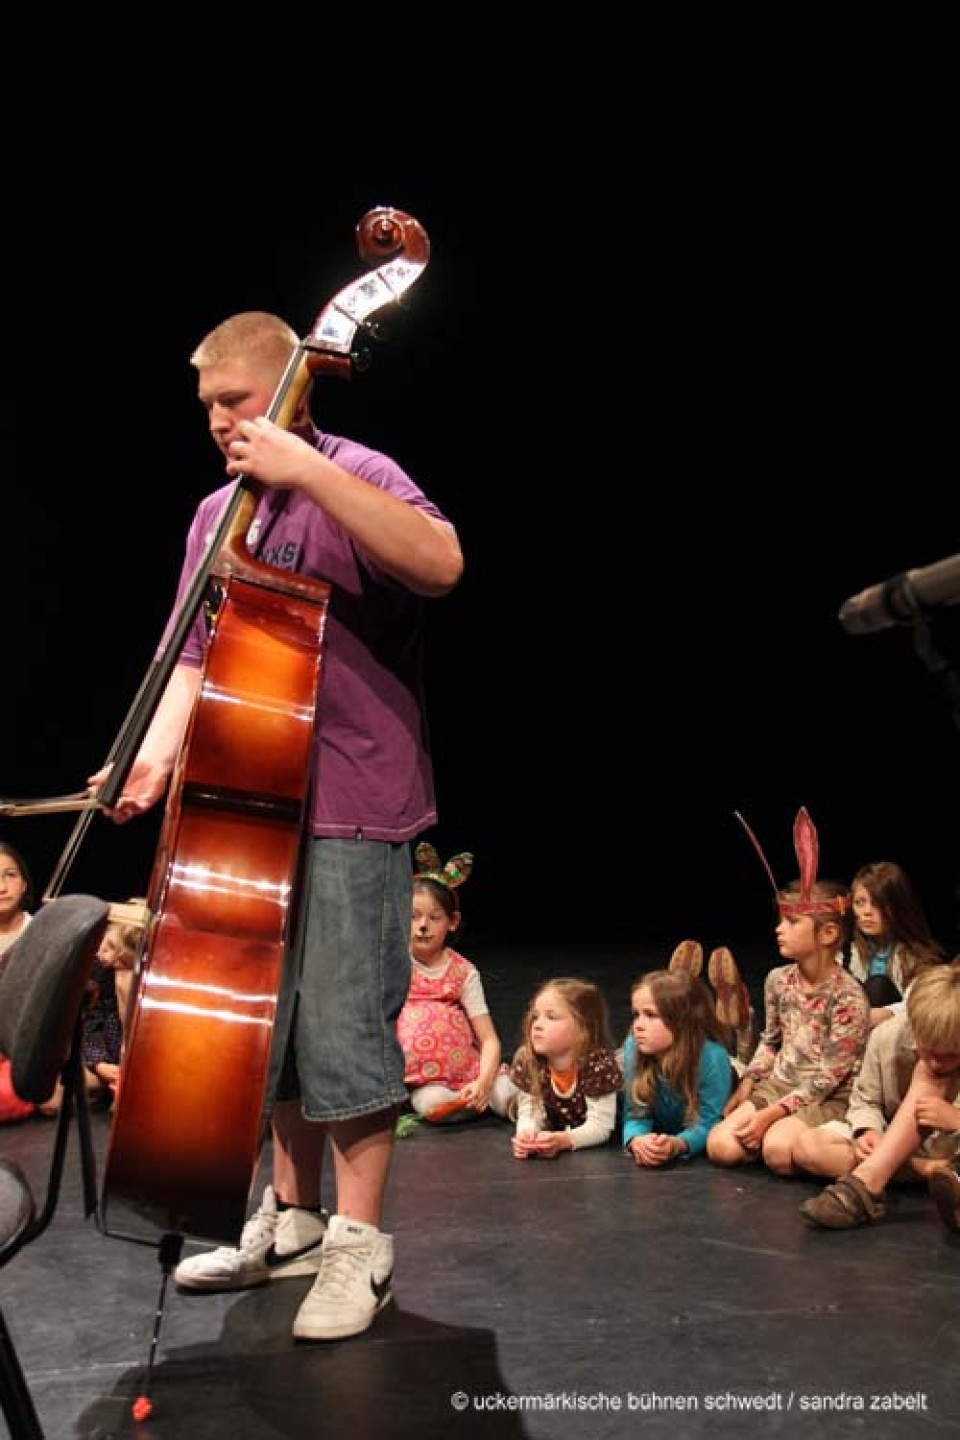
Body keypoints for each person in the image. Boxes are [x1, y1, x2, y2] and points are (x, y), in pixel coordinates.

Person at [92, 310, 463, 1342]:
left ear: (293, 391)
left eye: (235, 402)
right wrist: (152, 761)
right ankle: (294, 1218)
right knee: (276, 1035)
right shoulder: (215, 516)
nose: (217, 422)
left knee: (346, 1025)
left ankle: (362, 1245)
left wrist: (307, 469)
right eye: (207, 406)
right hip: (246, 802)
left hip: (353, 791)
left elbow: (439, 564)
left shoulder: (354, 471)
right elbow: (193, 657)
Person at [707, 810, 871, 1175]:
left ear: (827, 934)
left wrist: (772, 1116)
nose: (779, 929)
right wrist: (749, 1085)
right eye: (781, 919)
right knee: (720, 1146)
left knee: (779, 1152)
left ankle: (794, 1142)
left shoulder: (847, 996)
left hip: (827, 1097)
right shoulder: (778, 979)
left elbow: (829, 1075)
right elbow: (772, 1041)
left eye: (792, 921)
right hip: (779, 1085)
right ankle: (767, 1135)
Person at [799, 959, 960, 1231]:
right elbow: (864, 1099)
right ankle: (938, 1172)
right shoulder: (888, 1038)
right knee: (808, 1147)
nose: (935, 1063)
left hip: (952, 1146)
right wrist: (867, 1131)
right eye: (928, 1051)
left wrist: (956, 1120)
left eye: (950, 1056)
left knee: (928, 1078)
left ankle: (865, 1185)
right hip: (906, 1148)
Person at [397, 843, 514, 1123]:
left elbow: (489, 1040)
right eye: (413, 917)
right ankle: (463, 1105)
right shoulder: (392, 965)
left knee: (504, 1091)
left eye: (434, 917)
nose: (423, 925)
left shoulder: (463, 971)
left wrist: (484, 1082)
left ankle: (501, 1102)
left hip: (470, 1073)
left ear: (452, 922)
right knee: (431, 1103)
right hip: (427, 1083)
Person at [623, 968, 732, 1165]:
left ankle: (744, 1032)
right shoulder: (633, 1046)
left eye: (650, 1015)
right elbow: (635, 1114)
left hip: (729, 1074)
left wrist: (678, 1144)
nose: (638, 1025)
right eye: (636, 1014)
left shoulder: (712, 1058)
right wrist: (638, 1140)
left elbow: (709, 1122)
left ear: (681, 1021)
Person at [509, 977, 621, 1159]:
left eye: (551, 1017)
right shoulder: (528, 1059)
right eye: (535, 1016)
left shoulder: (597, 1064)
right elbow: (530, 1111)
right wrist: (527, 1135)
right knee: (500, 1098)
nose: (537, 1025)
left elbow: (601, 1125)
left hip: (576, 1121)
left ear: (583, 1027)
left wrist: (564, 1140)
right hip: (538, 1108)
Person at [845, 860, 946, 1028]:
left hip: (896, 1035)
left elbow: (924, 1006)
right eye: (860, 903)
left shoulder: (918, 957)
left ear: (897, 906)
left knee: (878, 986)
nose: (867, 912)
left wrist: (886, 1012)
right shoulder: (845, 953)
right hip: (850, 1036)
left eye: (877, 903)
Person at [0, 840, 35, 1122]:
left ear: (23, 884)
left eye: (9, 875)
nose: (1, 887)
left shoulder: (42, 933)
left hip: (22, 1050)